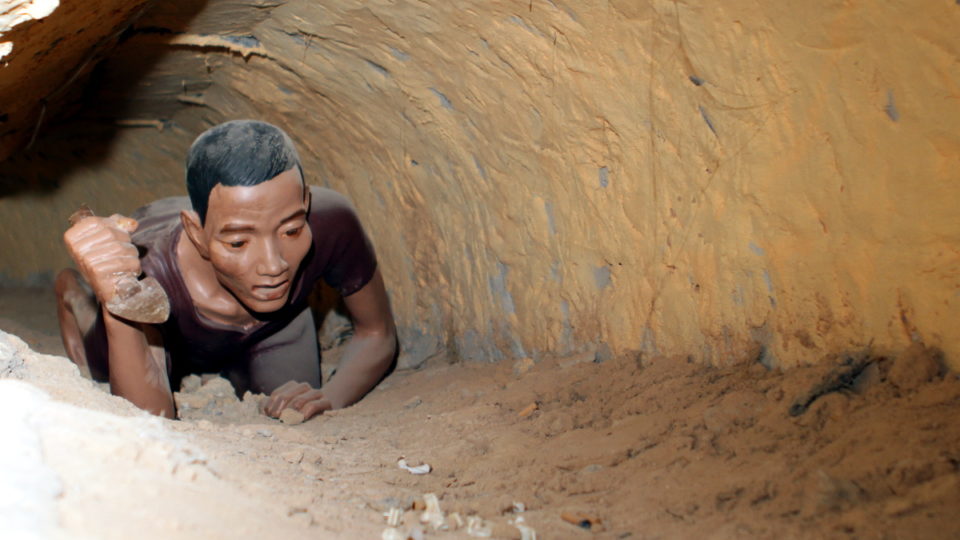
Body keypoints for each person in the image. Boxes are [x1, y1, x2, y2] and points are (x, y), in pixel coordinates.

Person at [54, 120, 397, 420]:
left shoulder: (332, 222)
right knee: (102, 367)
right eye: (238, 243)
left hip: (274, 325)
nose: (274, 265)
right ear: (197, 233)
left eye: (291, 231)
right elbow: (149, 420)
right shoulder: (150, 269)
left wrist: (332, 396)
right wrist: (116, 295)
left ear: (305, 204)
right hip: (167, 328)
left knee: (292, 405)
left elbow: (376, 334)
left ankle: (232, 362)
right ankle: (77, 299)